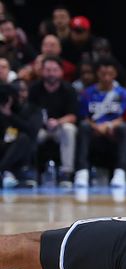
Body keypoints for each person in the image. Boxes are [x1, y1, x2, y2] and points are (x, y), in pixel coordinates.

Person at [74, 59, 126, 188]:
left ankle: (120, 172)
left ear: (115, 74)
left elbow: (124, 117)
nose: (106, 78)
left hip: (113, 130)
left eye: (110, 74)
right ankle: (82, 172)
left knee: (124, 128)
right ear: (97, 74)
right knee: (83, 127)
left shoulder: (122, 93)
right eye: (103, 74)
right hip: (93, 130)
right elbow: (84, 117)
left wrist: (109, 126)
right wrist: (97, 127)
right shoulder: (87, 93)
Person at [29, 56, 79, 185]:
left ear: (61, 71)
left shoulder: (69, 89)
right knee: (27, 131)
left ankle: (66, 173)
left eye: (55, 70)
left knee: (69, 129)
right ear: (42, 71)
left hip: (59, 128)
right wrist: (41, 122)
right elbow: (28, 113)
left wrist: (57, 122)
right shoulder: (34, 89)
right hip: (40, 128)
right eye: (48, 70)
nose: (51, 73)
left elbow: (73, 116)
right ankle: (30, 171)